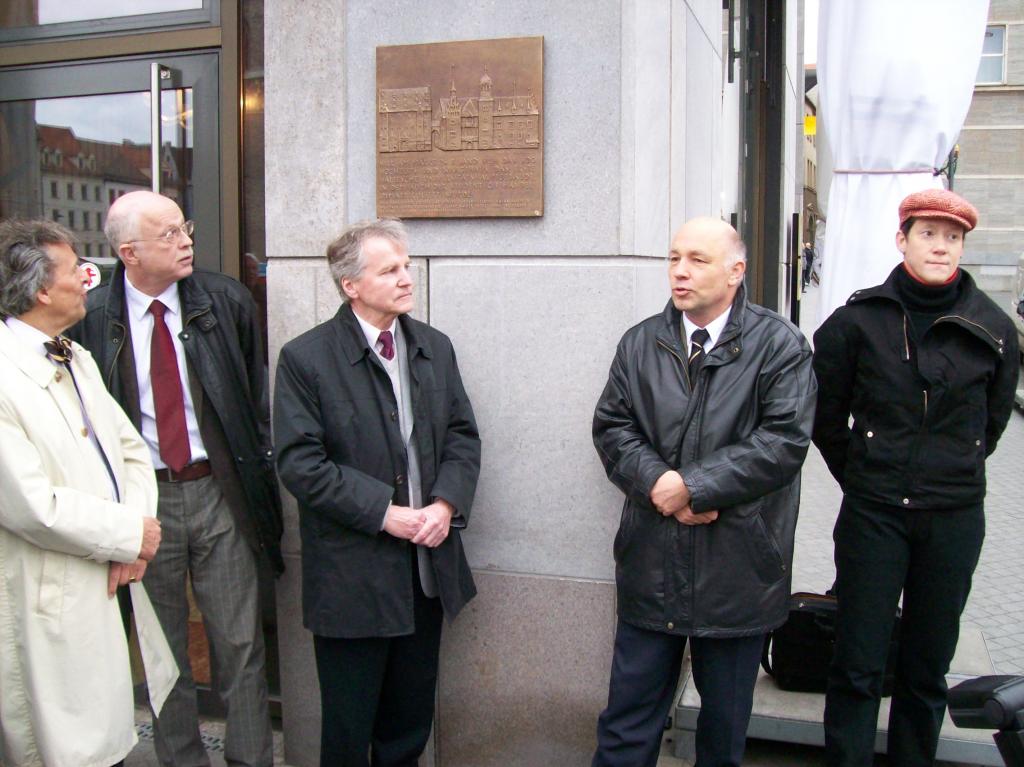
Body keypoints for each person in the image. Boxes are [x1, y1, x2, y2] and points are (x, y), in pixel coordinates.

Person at [591, 217, 816, 767]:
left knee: (722, 733)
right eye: (674, 258)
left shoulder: (779, 345)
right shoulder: (641, 342)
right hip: (653, 563)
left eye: (697, 259)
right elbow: (612, 427)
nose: (680, 271)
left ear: (736, 271)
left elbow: (783, 441)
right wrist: (659, 484)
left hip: (737, 568)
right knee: (626, 725)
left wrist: (693, 487)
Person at [69, 191, 283, 767]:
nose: (186, 240)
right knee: (163, 654)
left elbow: (253, 400)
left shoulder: (226, 301)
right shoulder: (92, 317)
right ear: (129, 252)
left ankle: (250, 760)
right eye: (168, 234)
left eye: (184, 227)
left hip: (220, 491)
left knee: (240, 646)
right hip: (143, 501)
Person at [812, 188, 1019, 767]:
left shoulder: (993, 328)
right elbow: (825, 414)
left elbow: (992, 424)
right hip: (874, 515)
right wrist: (864, 474)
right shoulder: (857, 321)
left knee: (927, 669)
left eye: (952, 237)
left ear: (963, 247)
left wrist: (950, 470)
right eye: (928, 234)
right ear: (902, 239)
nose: (940, 246)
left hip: (953, 519)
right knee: (858, 663)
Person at [274, 218, 481, 767]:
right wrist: (384, 513)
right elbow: (300, 464)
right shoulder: (306, 358)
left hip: (425, 572)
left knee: (407, 728)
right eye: (390, 270)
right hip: (353, 579)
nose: (407, 278)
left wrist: (446, 504)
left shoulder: (434, 347)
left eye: (406, 266)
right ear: (351, 285)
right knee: (348, 731)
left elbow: (462, 435)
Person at [0, 219, 173, 766]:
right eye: (77, 269)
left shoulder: (77, 357)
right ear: (40, 290)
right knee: (62, 747)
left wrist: (136, 539)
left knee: (105, 741)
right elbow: (32, 506)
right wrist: (128, 535)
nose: (87, 279)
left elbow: (130, 451)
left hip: (103, 579)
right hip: (47, 596)